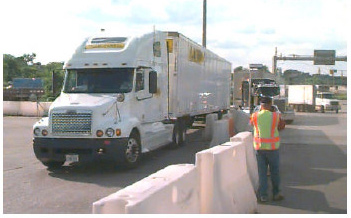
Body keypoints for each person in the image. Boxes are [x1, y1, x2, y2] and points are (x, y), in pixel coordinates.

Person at [250, 96, 285, 203]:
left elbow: (252, 125)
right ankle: (276, 194)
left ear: (261, 105)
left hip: (259, 148)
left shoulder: (255, 116)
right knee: (275, 172)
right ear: (270, 105)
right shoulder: (276, 116)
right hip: (273, 149)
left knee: (262, 173)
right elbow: (281, 126)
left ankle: (263, 196)